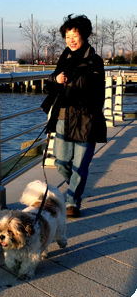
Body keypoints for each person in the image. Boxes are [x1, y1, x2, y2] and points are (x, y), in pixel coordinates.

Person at [41, 14, 107, 218]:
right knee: (60, 162)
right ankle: (76, 187)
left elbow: (96, 91)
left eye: (74, 35)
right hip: (63, 116)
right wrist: (55, 78)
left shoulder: (94, 61)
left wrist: (69, 83)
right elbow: (49, 85)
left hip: (86, 118)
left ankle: (72, 202)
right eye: (67, 35)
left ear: (84, 36)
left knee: (81, 165)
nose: (70, 39)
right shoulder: (64, 59)